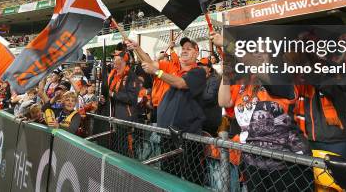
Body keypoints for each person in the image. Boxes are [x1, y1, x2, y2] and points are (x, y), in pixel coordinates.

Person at [213, 32, 312, 192]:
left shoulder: (280, 77)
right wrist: (226, 70)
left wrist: (228, 45)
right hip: (253, 162)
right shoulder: (244, 84)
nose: (257, 54)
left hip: (285, 164)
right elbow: (223, 102)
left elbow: (257, 65)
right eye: (254, 51)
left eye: (262, 51)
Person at [132, 36, 207, 185]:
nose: (184, 51)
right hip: (167, 133)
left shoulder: (199, 72)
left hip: (187, 136)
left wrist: (157, 72)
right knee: (169, 176)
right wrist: (137, 48)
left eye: (189, 49)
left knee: (191, 178)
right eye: (183, 48)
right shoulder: (172, 68)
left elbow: (181, 83)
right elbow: (149, 63)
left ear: (196, 53)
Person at [198, 58, 221, 136]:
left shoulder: (215, 79)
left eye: (203, 66)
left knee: (210, 144)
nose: (200, 68)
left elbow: (209, 97)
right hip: (202, 117)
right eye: (199, 66)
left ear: (209, 68)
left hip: (211, 119)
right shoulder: (203, 78)